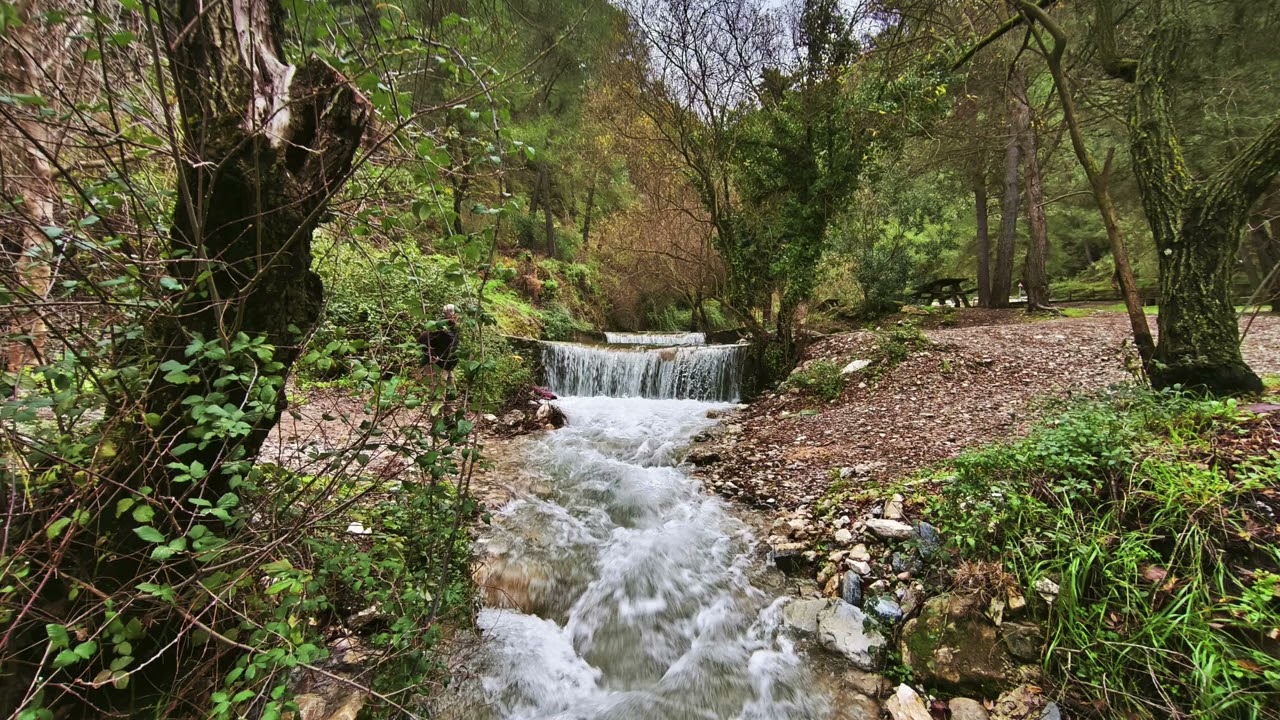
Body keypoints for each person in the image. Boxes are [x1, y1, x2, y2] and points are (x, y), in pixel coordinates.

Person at [418, 304, 460, 381]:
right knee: (437, 391)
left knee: (452, 392)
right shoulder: (441, 326)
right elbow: (423, 338)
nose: (457, 317)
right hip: (437, 367)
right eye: (455, 314)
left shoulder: (454, 328)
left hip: (447, 366)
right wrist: (432, 355)